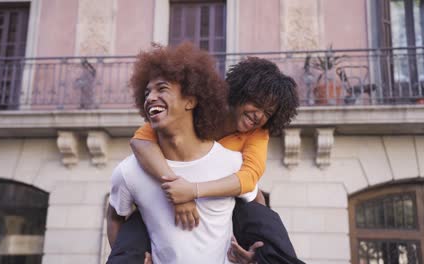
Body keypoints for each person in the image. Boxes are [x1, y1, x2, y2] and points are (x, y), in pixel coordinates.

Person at [117, 55, 304, 263]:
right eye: (257, 104)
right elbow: (140, 142)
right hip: (170, 194)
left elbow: (250, 179)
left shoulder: (258, 133)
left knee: (265, 219)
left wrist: (193, 190)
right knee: (133, 227)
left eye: (267, 113)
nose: (259, 116)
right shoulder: (200, 109)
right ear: (241, 92)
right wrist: (177, 189)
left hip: (223, 200)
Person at [107, 42, 260, 264]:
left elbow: (257, 199)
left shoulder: (232, 162)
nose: (150, 97)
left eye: (162, 88)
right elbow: (114, 217)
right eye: (147, 92)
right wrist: (130, 256)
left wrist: (253, 248)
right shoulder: (128, 172)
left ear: (190, 100)